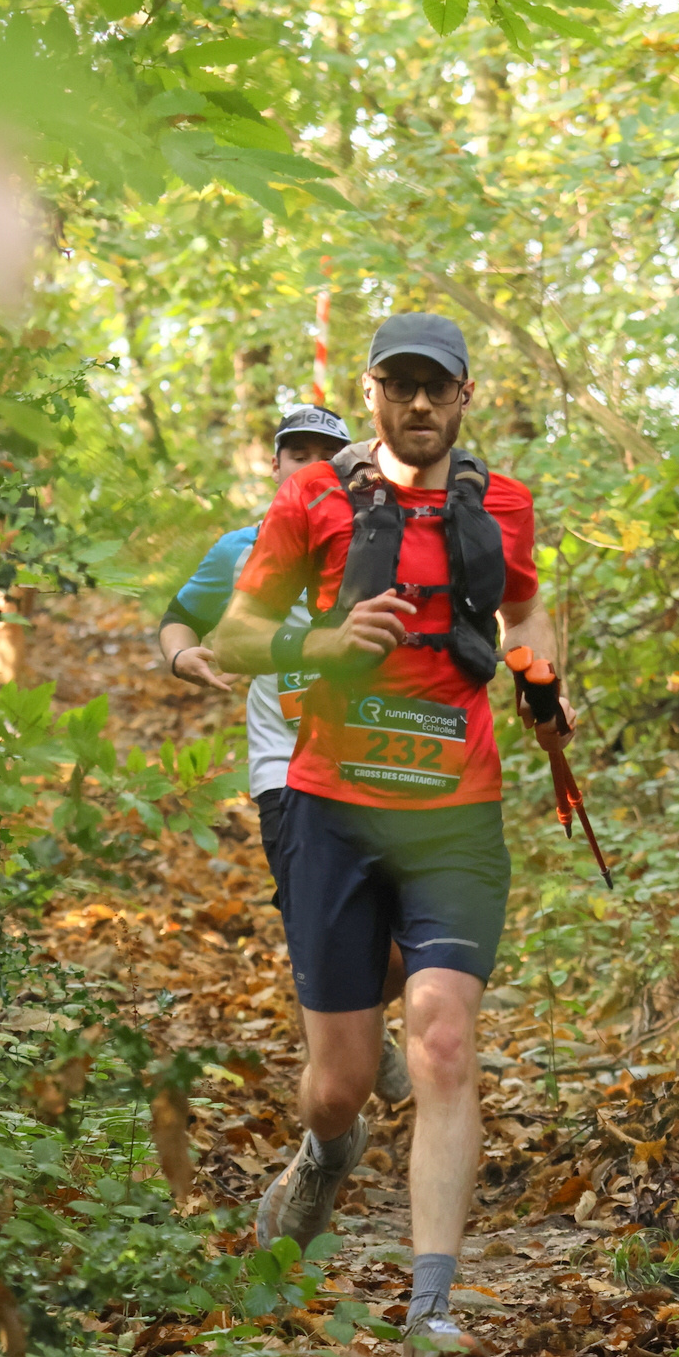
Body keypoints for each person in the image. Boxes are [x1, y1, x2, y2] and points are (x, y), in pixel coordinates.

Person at [213, 314, 574, 1357]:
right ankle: (325, 1155)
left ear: (465, 397)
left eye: (437, 387)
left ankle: (430, 1316)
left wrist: (539, 677)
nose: (419, 404)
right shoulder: (312, 497)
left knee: (443, 1041)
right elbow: (237, 635)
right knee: (340, 1085)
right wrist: (322, 642)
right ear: (370, 394)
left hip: (456, 813)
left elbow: (525, 606)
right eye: (399, 385)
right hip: (334, 810)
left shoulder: (501, 503)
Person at [157, 404, 412, 1105]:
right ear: (275, 465)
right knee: (320, 941)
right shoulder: (238, 549)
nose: (310, 464)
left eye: (325, 453)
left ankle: (362, 1019)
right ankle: (333, 1120)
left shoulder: (380, 537)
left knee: (398, 951)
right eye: (296, 453)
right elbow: (178, 617)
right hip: (285, 769)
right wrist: (181, 657)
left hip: (372, 759)